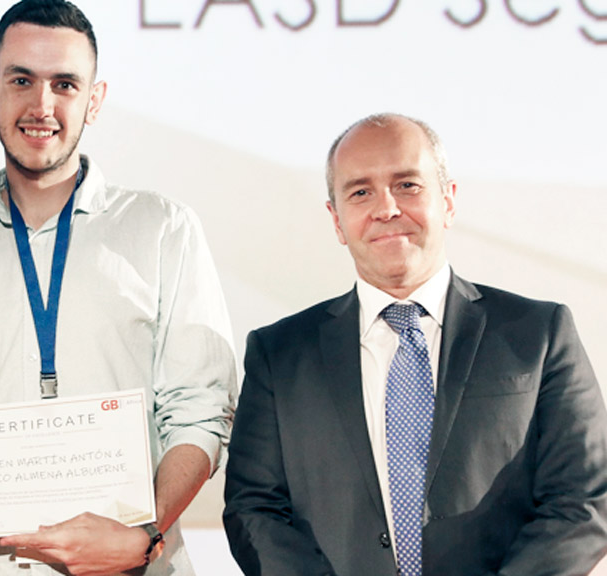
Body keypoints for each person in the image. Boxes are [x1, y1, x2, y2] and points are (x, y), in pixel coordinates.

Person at [0, 0, 237, 574]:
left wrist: (145, 532)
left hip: (137, 566)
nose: (42, 106)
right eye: (22, 80)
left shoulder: (162, 228)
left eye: (65, 84)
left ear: (95, 100)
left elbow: (200, 411)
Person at [223, 112, 607, 575]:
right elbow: (254, 509)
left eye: (407, 185)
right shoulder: (279, 354)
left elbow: (585, 498)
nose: (386, 208)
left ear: (448, 200)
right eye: (361, 192)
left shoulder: (538, 333)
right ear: (337, 220)